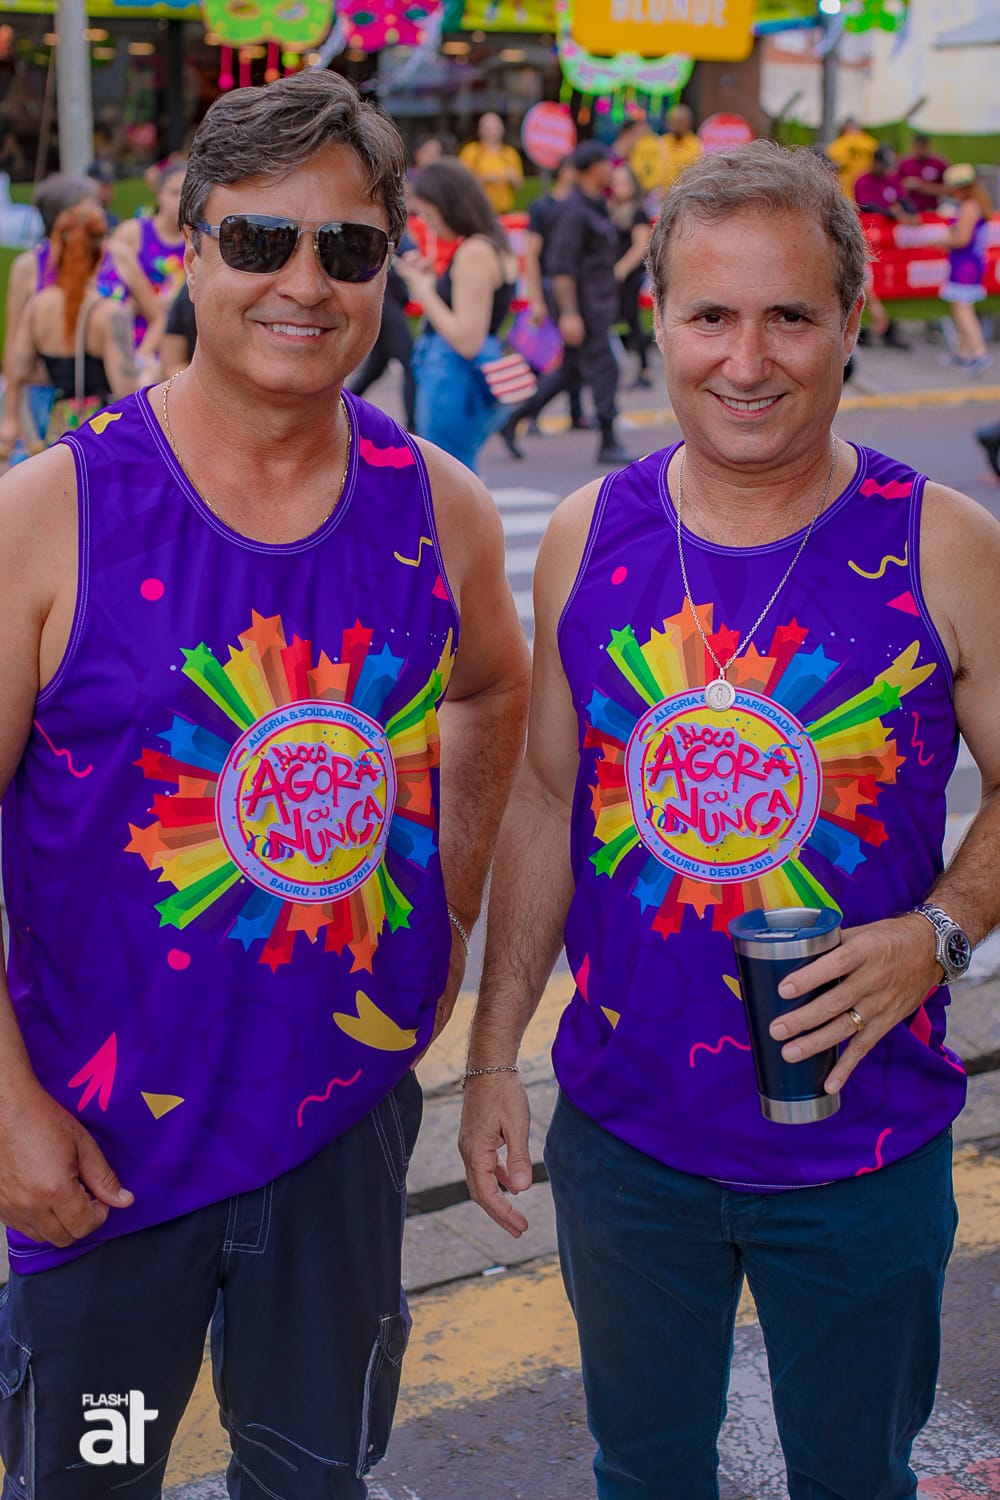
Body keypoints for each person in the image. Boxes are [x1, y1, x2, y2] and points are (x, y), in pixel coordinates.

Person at [0, 69, 529, 1497]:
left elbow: (493, 688)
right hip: (100, 1170)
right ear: (189, 249)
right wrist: (4, 1106)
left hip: (338, 1144)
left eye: (347, 248)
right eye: (259, 240)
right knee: (96, 1476)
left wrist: (448, 907)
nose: (305, 282)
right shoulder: (50, 514)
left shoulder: (439, 506)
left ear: (386, 268)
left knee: (310, 1478)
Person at [459, 140, 1000, 1500]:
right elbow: (545, 798)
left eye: (789, 316)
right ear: (659, 322)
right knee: (643, 1471)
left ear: (852, 321)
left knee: (854, 1477)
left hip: (866, 1146)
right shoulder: (588, 532)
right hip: (626, 1142)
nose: (746, 361)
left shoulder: (942, 542)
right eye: (710, 315)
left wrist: (941, 931)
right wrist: (491, 1058)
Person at [397, 158, 520, 472]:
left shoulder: (474, 253)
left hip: (454, 376)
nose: (427, 223)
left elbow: (466, 340)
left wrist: (423, 289)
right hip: (467, 375)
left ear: (447, 205)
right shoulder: (491, 243)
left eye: (428, 214)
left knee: (447, 474)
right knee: (456, 471)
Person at [3, 202, 142, 441]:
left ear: (57, 250)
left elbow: (20, 369)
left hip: (59, 425)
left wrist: (61, 371)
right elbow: (126, 391)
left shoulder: (37, 305)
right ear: (101, 253)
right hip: (103, 428)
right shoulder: (109, 314)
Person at [499, 153, 591, 457]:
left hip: (576, 288)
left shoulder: (581, 205)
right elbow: (533, 254)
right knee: (558, 361)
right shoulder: (543, 207)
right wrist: (536, 297)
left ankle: (553, 414)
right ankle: (519, 416)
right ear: (566, 172)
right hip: (555, 289)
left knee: (572, 362)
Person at [0, 172, 97, 455]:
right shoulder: (29, 266)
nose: (100, 212)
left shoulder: (105, 255)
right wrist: (11, 417)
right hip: (46, 392)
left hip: (101, 388)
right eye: (92, 205)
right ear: (67, 216)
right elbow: (13, 342)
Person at [545, 139, 629, 466]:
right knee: (606, 369)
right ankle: (608, 439)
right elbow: (562, 268)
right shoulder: (574, 210)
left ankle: (515, 419)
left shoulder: (597, 205)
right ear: (593, 168)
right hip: (584, 307)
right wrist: (569, 314)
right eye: (606, 164)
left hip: (598, 303)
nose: (611, 170)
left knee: (569, 372)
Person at [931, 162, 993, 375]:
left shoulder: (969, 206)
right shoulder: (974, 204)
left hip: (966, 264)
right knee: (960, 308)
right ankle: (965, 352)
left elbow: (962, 239)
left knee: (963, 309)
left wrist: (942, 241)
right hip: (967, 262)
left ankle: (979, 353)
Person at [609, 162, 652, 388]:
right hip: (616, 275)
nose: (619, 187)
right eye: (616, 182)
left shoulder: (637, 212)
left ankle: (644, 369)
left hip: (630, 276)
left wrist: (622, 269)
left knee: (632, 319)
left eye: (624, 182)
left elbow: (641, 246)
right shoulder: (613, 211)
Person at [458, 111, 523, 214]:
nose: (492, 132)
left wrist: (512, 178)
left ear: (502, 129)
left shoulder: (510, 153)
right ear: (479, 130)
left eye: (495, 127)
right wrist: (485, 179)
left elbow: (518, 185)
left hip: (503, 212)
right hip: (477, 212)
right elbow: (461, 182)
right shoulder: (470, 152)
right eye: (487, 128)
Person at [897, 132, 951, 214]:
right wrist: (906, 185)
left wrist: (923, 186)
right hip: (910, 212)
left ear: (928, 146)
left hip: (934, 210)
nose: (920, 150)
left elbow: (950, 189)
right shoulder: (905, 163)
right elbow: (896, 188)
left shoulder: (939, 163)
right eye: (917, 147)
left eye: (923, 146)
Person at [826, 114, 878, 197]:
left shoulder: (837, 145)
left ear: (844, 128)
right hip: (867, 191)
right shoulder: (872, 144)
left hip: (844, 191)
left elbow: (830, 167)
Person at [660, 103, 702, 194]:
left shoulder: (697, 145)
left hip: (685, 194)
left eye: (680, 121)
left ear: (689, 123)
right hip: (662, 196)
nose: (675, 124)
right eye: (672, 120)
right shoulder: (662, 142)